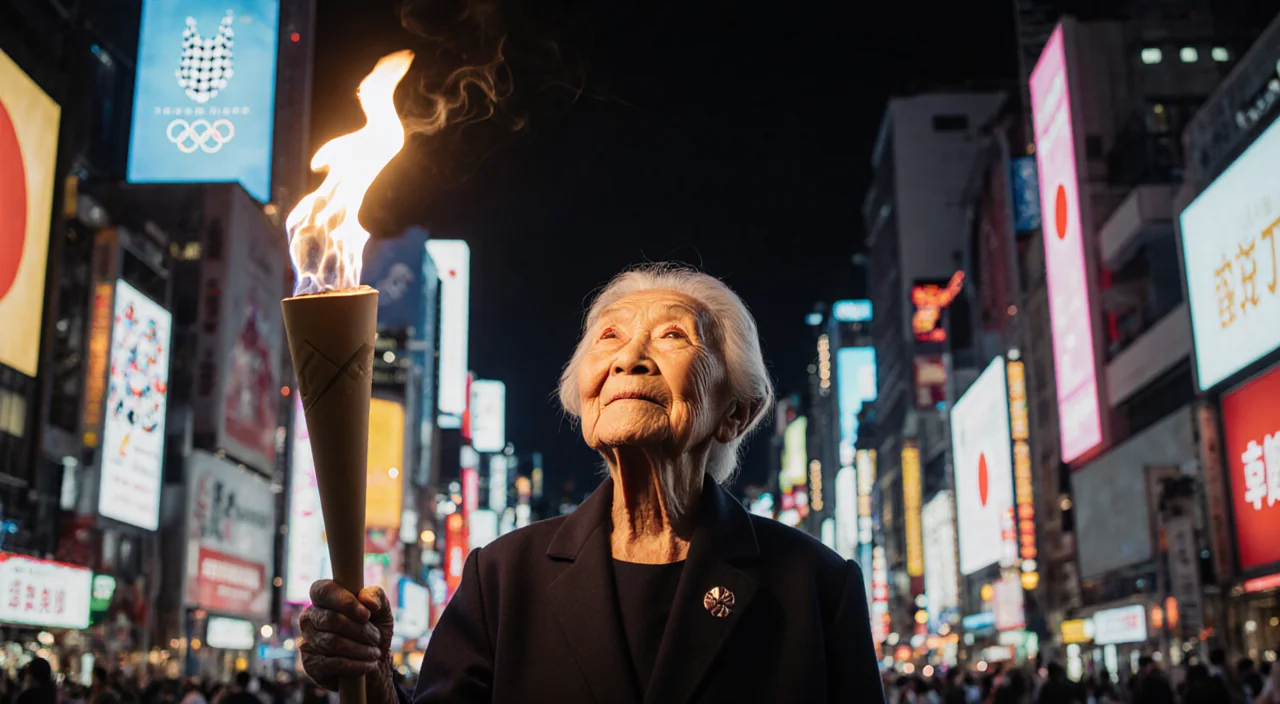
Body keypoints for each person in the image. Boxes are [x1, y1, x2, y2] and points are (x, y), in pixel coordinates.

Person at [298, 264, 886, 702]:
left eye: (673, 336)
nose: (630, 358)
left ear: (736, 411)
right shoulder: (503, 577)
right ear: (585, 396)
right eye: (609, 337)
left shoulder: (815, 585)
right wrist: (370, 676)